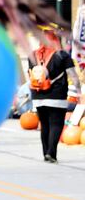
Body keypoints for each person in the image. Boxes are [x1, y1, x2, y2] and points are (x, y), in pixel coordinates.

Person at [29, 28, 81, 163]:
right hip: (57, 97)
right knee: (56, 125)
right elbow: (73, 77)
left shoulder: (34, 55)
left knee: (44, 125)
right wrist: (79, 92)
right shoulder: (62, 55)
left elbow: (31, 75)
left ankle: (45, 152)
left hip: (38, 95)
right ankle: (51, 153)